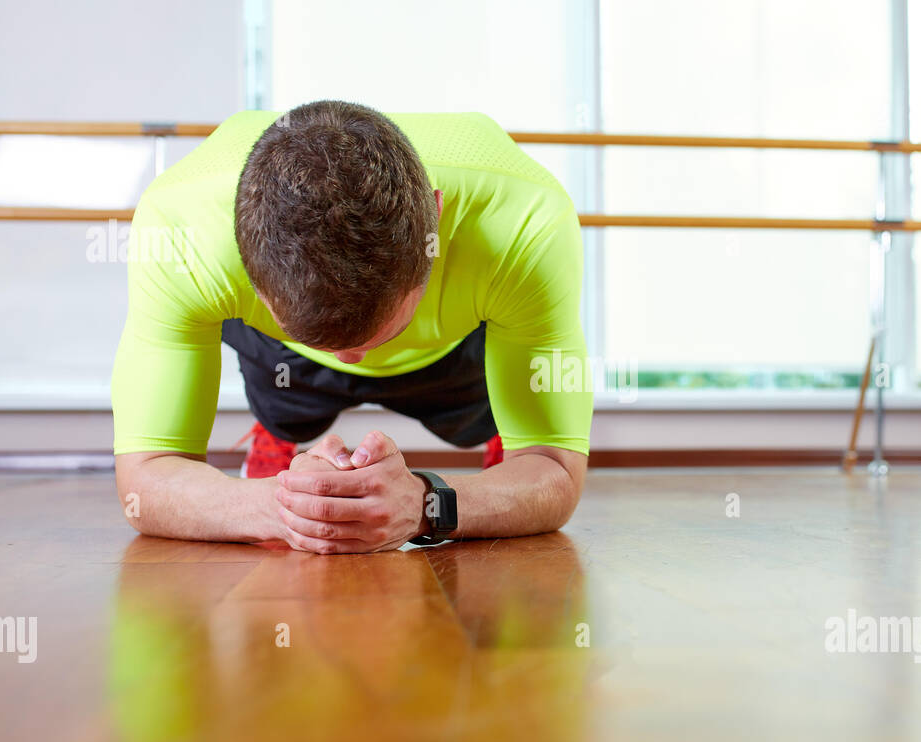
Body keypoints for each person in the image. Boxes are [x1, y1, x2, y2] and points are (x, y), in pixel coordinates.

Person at [111, 101, 591, 553]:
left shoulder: (528, 222)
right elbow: (143, 477)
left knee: (487, 421)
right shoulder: (179, 229)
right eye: (331, 342)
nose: (353, 358)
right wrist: (290, 506)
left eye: (374, 333)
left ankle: (501, 431)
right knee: (283, 408)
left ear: (435, 224)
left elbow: (556, 471)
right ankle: (278, 422)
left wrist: (428, 503)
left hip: (453, 347)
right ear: (241, 251)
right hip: (284, 360)